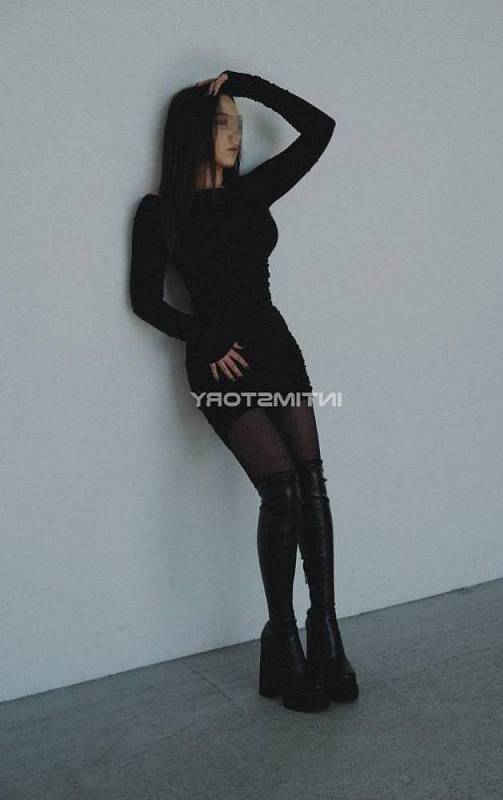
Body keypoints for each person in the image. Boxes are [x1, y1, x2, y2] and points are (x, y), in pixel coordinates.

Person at [130, 68, 359, 712]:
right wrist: (203, 339)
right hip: (220, 365)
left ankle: (325, 631)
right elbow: (145, 299)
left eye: (238, 123)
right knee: (280, 491)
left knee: (312, 485)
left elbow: (320, 130)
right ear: (192, 132)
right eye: (222, 123)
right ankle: (281, 638)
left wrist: (247, 84)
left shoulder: (253, 191)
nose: (236, 135)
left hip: (277, 350)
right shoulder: (159, 211)